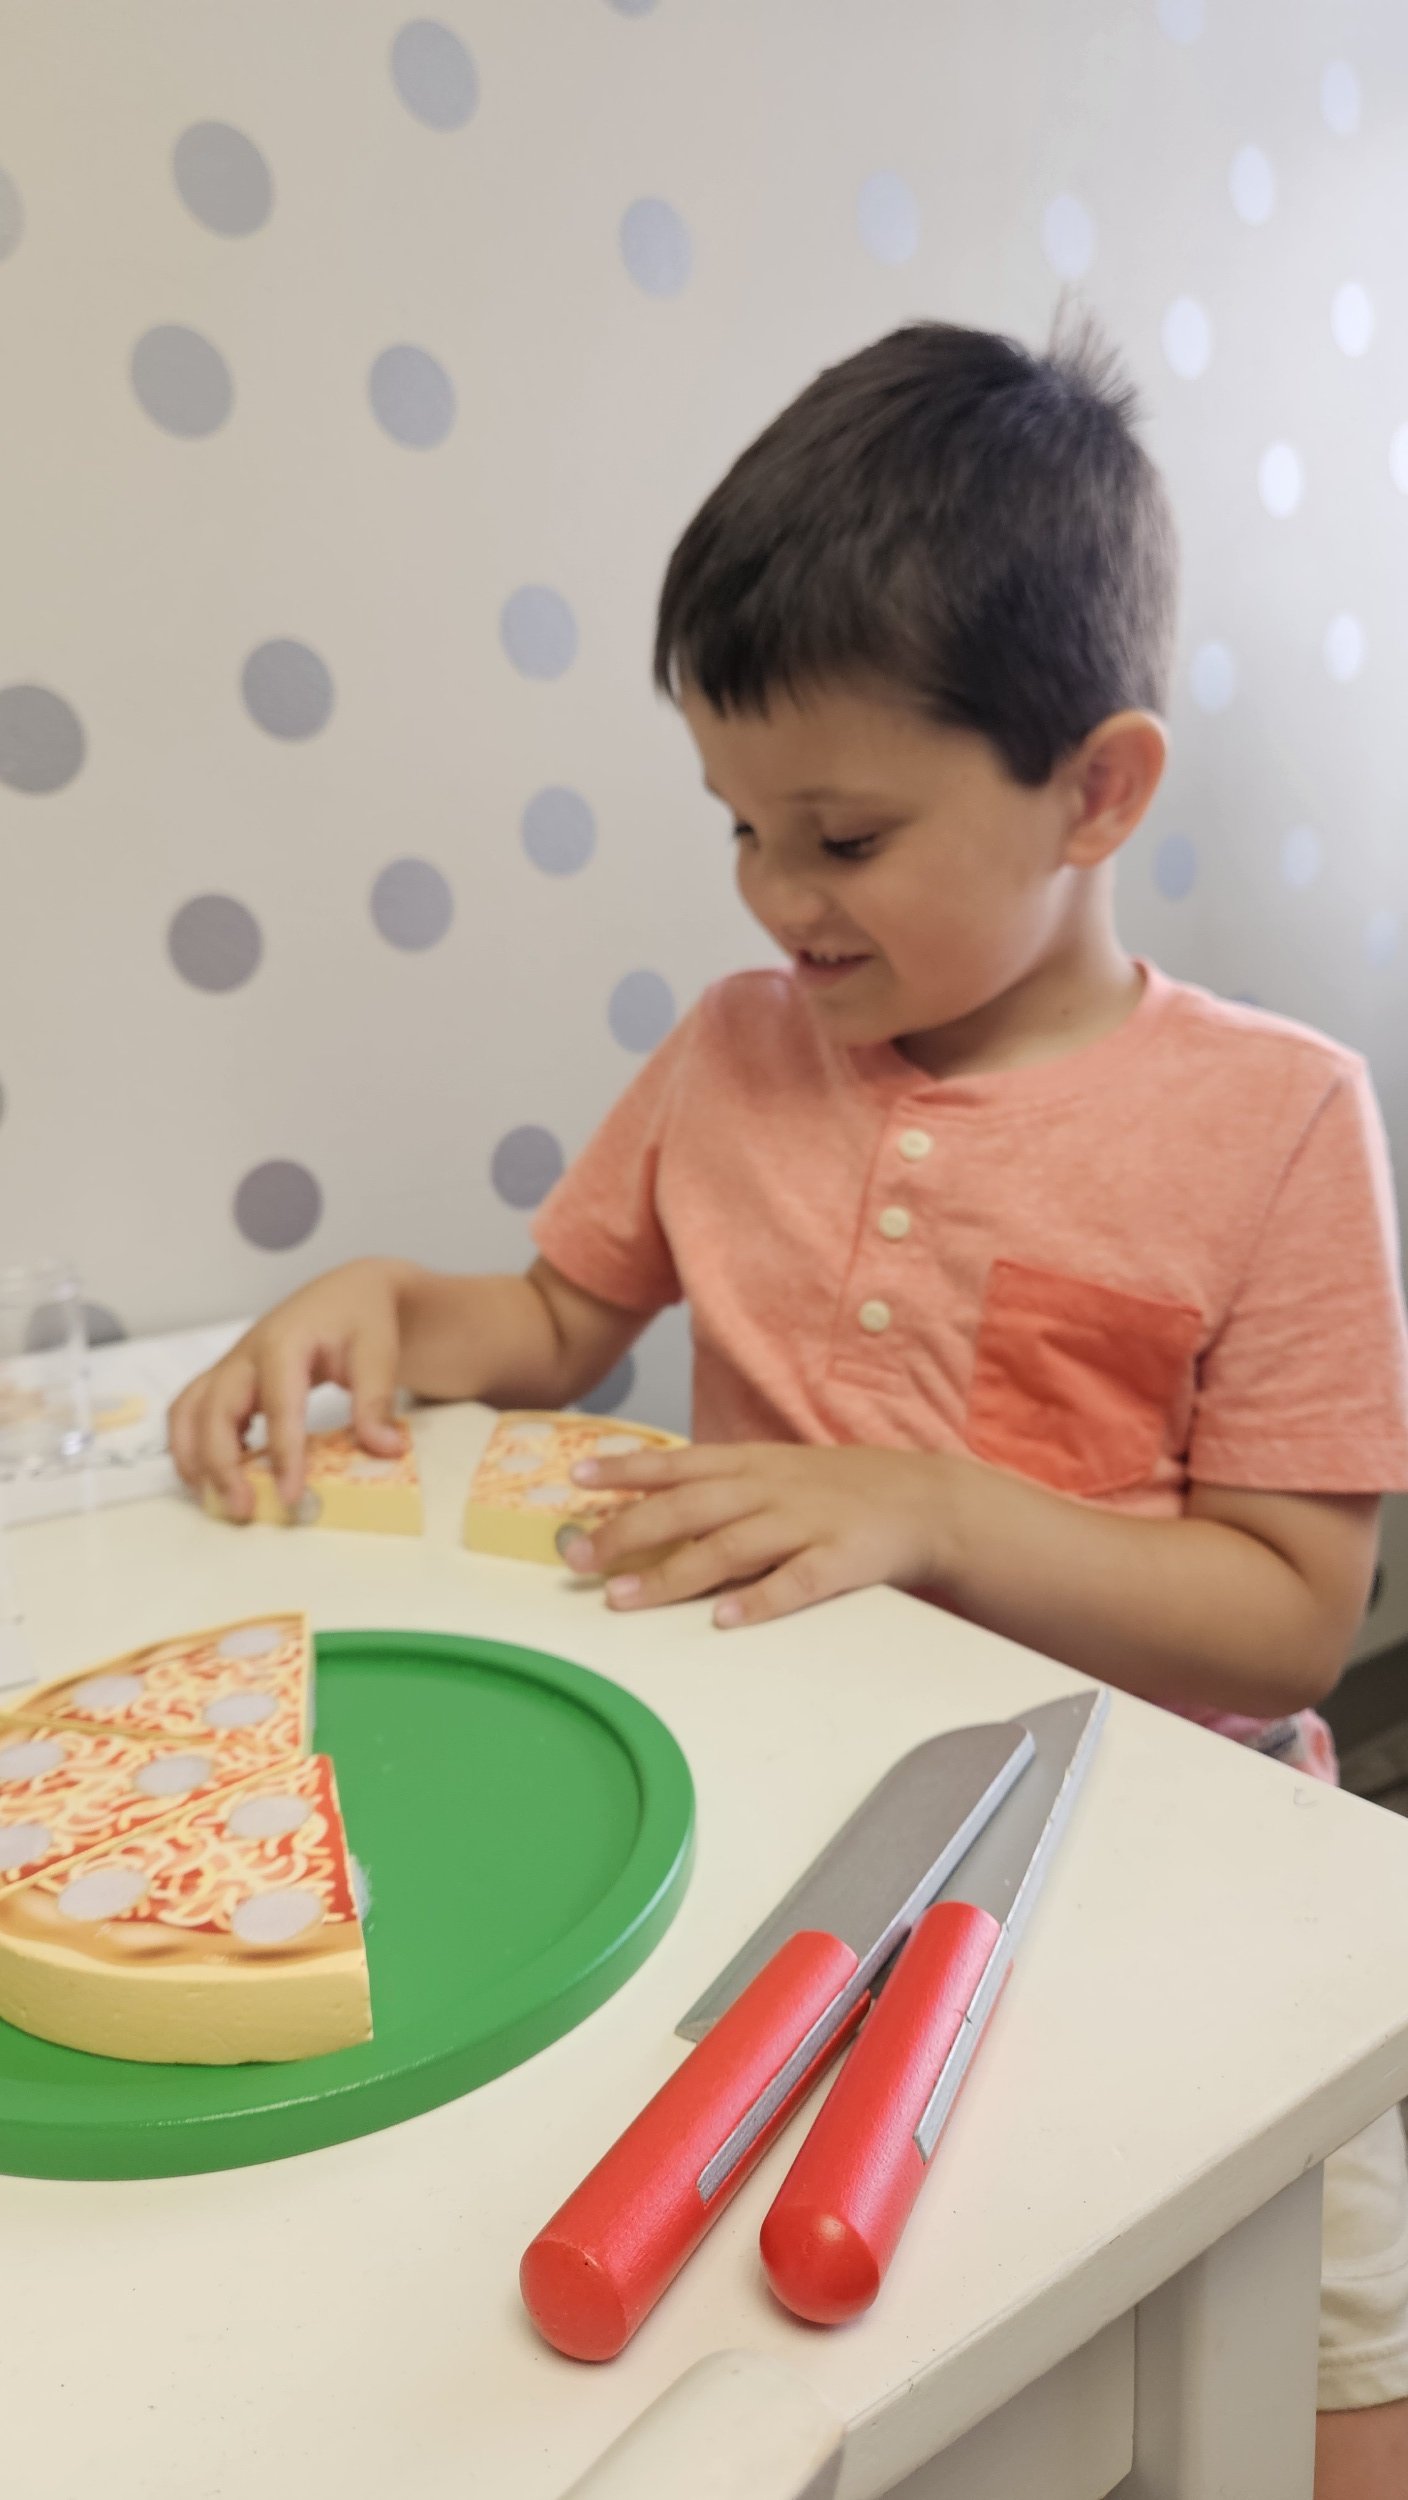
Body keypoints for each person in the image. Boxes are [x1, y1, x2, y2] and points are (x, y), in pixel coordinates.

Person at [170, 318, 1408, 2492]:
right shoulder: (734, 1049)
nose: (768, 897)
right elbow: (552, 1322)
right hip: (784, 1819)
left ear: (1094, 789)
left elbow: (1290, 1618)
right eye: (738, 823)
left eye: (836, 832)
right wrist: (377, 1301)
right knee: (815, 2368)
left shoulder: (1279, 1117)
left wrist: (924, 1503)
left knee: (1314, 2337)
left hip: (1168, 1862)